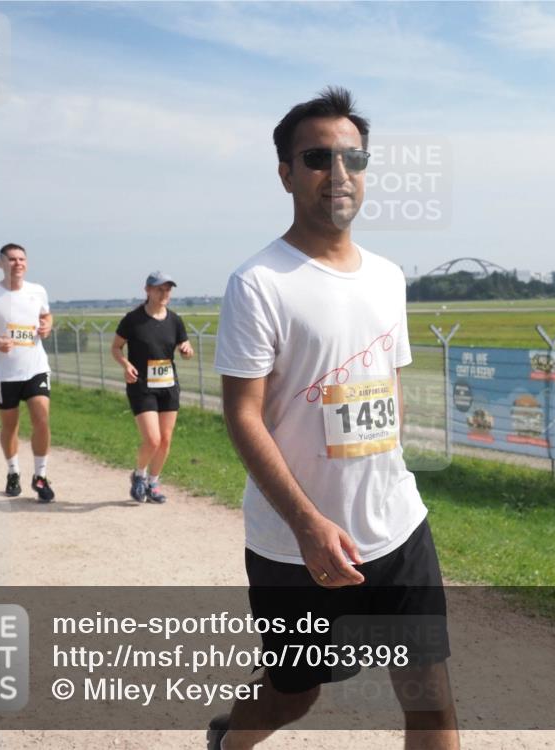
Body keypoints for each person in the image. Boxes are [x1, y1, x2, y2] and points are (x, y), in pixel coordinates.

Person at [212, 87, 459, 749]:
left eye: (353, 157)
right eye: (318, 157)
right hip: (296, 546)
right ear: (287, 174)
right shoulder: (259, 282)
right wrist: (309, 524)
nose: (338, 173)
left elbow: (388, 387)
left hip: (396, 529)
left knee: (431, 702)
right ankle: (229, 738)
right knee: (295, 695)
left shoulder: (387, 276)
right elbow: (243, 413)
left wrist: (389, 477)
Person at [0, 243, 56, 503]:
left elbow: (47, 315)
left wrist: (46, 326)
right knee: (10, 426)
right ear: (0, 264)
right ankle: (13, 471)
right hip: (5, 374)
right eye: (12, 259)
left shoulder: (37, 291)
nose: (18, 263)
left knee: (41, 417)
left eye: (22, 259)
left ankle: (40, 476)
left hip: (36, 368)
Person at [111, 271, 194, 504]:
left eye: (168, 289)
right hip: (141, 386)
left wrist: (187, 350)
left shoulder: (175, 320)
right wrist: (125, 364)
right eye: (159, 289)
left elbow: (184, 345)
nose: (164, 293)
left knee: (165, 440)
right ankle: (139, 475)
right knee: (153, 439)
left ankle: (153, 482)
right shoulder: (133, 319)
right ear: (147, 290)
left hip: (168, 386)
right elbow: (116, 348)